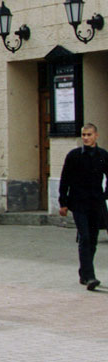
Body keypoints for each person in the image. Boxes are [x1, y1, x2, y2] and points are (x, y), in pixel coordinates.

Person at [58, 123, 108, 291]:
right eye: (83, 135)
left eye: (89, 135)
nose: (85, 138)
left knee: (93, 239)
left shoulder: (103, 155)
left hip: (96, 203)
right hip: (78, 203)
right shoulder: (74, 156)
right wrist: (63, 203)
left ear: (96, 136)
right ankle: (90, 276)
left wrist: (105, 195)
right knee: (85, 237)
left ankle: (84, 273)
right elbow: (65, 179)